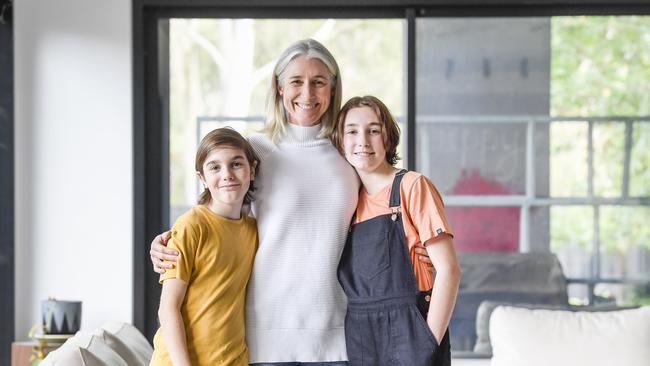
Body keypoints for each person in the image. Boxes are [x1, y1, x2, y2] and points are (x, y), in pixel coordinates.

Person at [150, 39, 433, 365]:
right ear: (279, 88)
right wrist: (165, 242)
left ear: (332, 88)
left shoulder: (350, 155)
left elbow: (384, 207)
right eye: (296, 81)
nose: (308, 93)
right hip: (262, 339)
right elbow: (218, 214)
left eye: (319, 82)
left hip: (338, 337)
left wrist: (417, 247)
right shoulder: (255, 150)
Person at [332, 96, 461, 366]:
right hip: (361, 339)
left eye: (374, 130)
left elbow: (449, 270)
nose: (363, 141)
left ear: (388, 138)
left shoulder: (411, 186)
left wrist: (427, 343)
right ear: (340, 141)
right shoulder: (347, 202)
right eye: (352, 131)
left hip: (410, 334)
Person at [149, 128, 259, 366]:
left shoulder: (254, 230)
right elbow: (168, 308)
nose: (227, 174)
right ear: (202, 179)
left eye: (236, 164)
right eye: (215, 167)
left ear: (253, 170)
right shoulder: (191, 226)